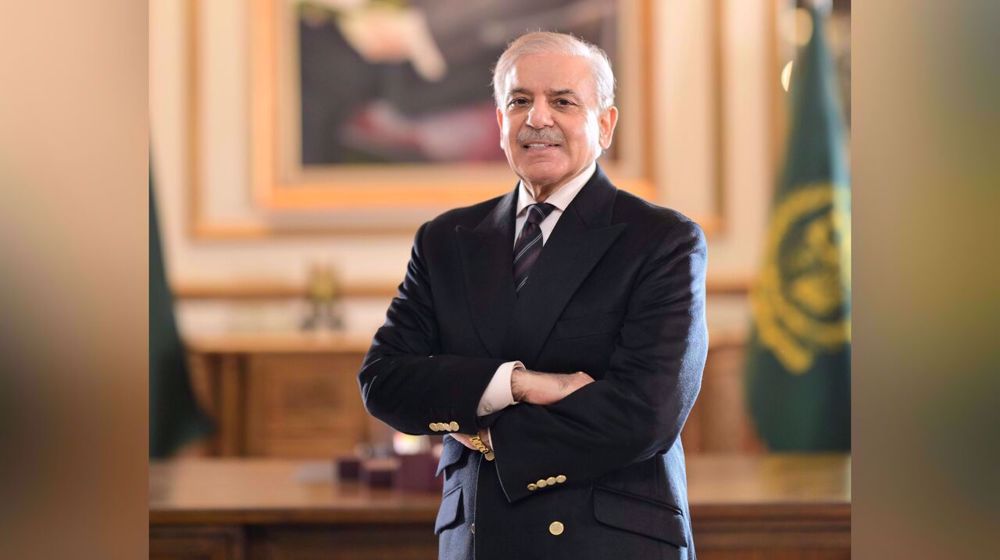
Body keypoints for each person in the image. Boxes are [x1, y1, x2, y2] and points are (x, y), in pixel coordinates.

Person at [359, 31, 707, 560]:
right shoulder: (445, 240)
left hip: (607, 542)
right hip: (478, 538)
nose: (537, 118)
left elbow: (645, 414)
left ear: (605, 124)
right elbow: (384, 381)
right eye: (520, 101)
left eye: (563, 102)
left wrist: (492, 433)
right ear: (500, 122)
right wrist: (519, 384)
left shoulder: (661, 240)